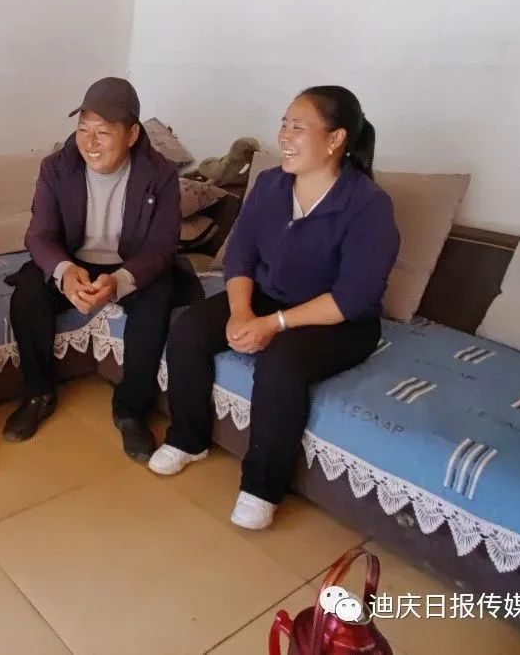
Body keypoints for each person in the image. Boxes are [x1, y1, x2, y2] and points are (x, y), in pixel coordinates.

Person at [151, 86, 400, 530]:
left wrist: (274, 324)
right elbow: (241, 255)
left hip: (339, 319)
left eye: (298, 127)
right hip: (270, 296)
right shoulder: (270, 184)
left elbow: (353, 297)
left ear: (336, 138)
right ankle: (188, 439)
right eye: (284, 123)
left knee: (281, 364)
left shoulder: (368, 205)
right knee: (189, 329)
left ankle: (262, 487)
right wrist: (241, 312)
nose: (284, 135)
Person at [4, 77, 201, 461]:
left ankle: (131, 410)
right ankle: (38, 394)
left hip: (130, 265)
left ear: (132, 134)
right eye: (83, 130)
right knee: (29, 291)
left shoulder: (159, 173)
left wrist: (121, 280)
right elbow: (39, 234)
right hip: (73, 260)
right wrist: (64, 271)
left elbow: (162, 246)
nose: (90, 142)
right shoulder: (56, 167)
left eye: (103, 132)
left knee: (157, 297)